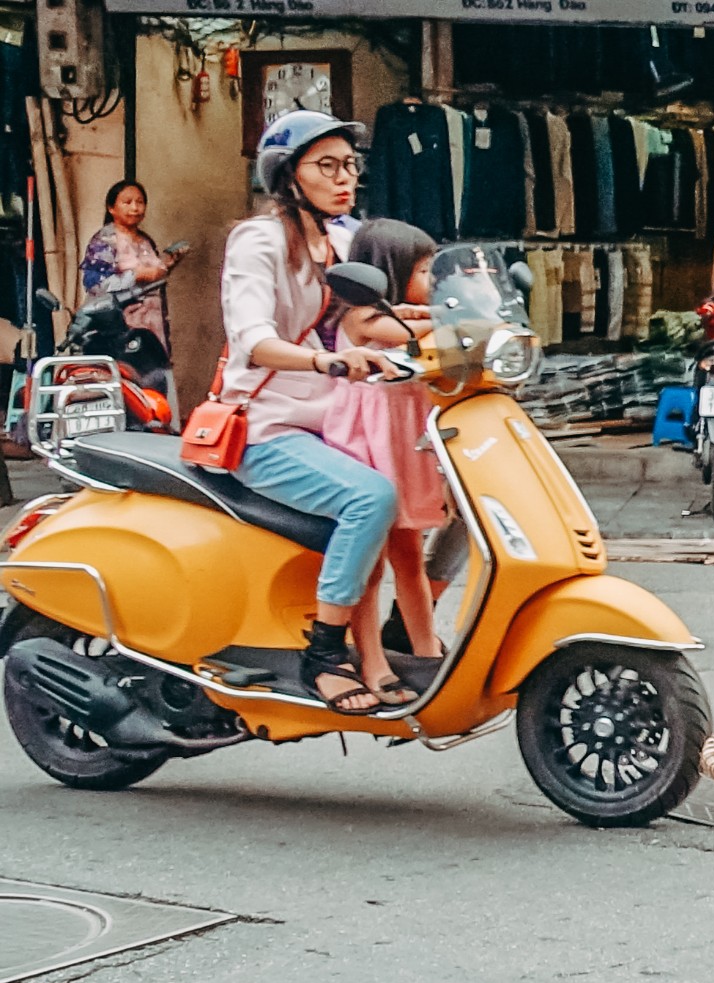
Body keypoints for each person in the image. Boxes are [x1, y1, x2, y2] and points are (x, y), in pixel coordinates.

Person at [220, 109, 404, 714]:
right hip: (267, 427)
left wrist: (461, 326)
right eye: (326, 165)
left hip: (334, 420)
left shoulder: (346, 241)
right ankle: (323, 654)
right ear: (287, 175)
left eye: (350, 164)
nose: (344, 177)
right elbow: (253, 338)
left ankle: (392, 646)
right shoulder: (259, 240)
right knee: (370, 498)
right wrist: (325, 363)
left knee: (429, 487)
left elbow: (379, 315)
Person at [322, 219, 448, 705]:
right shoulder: (359, 317)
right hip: (369, 444)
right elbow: (405, 327)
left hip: (403, 440)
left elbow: (416, 314)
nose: (431, 278)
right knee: (371, 567)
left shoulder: (398, 311)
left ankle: (427, 655)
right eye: (423, 268)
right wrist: (455, 316)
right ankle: (370, 659)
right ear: (389, 271)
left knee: (410, 559)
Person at [80, 180, 182, 354]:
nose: (135, 208)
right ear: (111, 208)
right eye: (127, 203)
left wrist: (167, 265)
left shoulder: (146, 240)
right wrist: (136, 276)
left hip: (152, 322)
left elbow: (154, 280)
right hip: (120, 324)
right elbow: (94, 285)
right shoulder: (104, 241)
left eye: (140, 202)